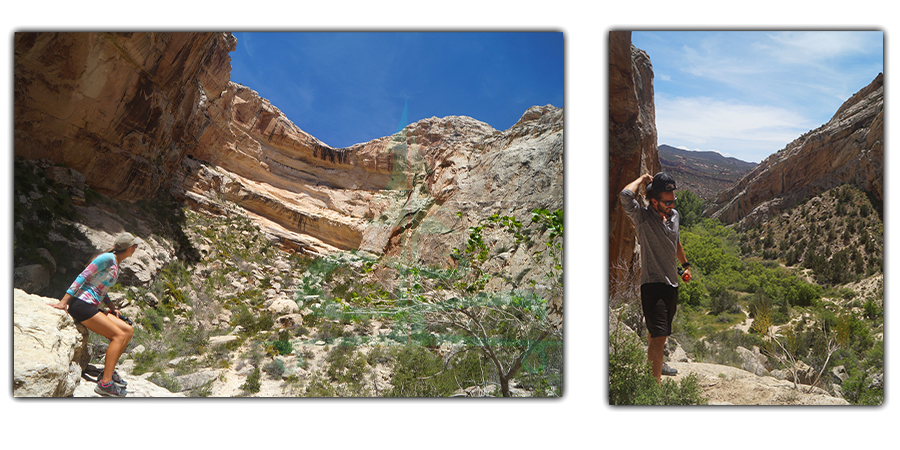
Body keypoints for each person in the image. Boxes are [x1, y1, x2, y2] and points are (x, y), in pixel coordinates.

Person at [620, 172, 692, 382]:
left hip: (672, 284)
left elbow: (675, 242)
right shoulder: (642, 217)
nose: (671, 204)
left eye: (673, 200)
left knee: (656, 334)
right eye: (667, 201)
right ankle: (653, 390)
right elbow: (625, 195)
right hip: (653, 285)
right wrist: (642, 180)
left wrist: (685, 265)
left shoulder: (674, 216)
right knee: (659, 336)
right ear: (653, 201)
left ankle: (655, 367)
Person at [50, 232, 138, 397]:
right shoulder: (107, 258)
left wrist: (112, 308)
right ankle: (105, 384)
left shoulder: (115, 261)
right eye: (135, 245)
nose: (136, 248)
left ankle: (108, 372)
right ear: (128, 248)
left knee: (128, 331)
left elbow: (100, 288)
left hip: (92, 305)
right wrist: (64, 301)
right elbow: (83, 276)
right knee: (118, 336)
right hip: (82, 304)